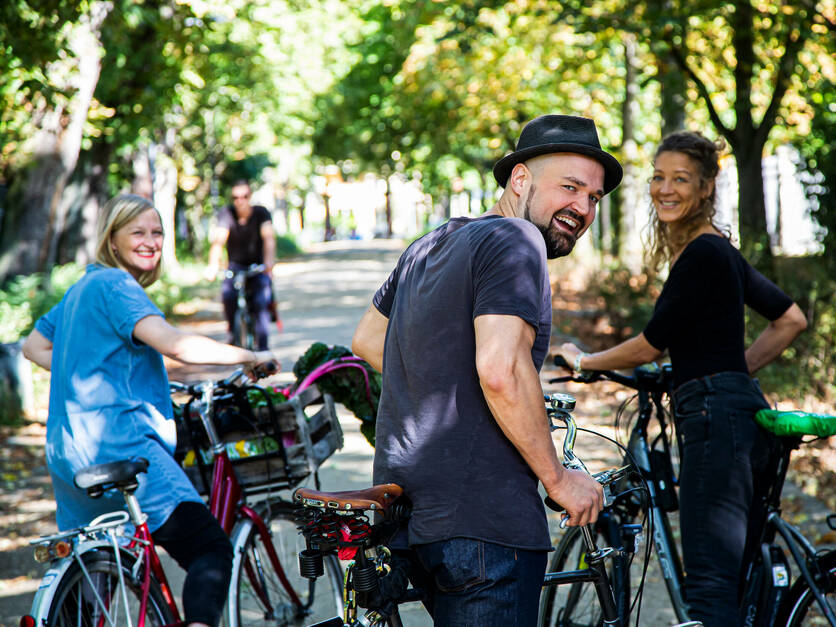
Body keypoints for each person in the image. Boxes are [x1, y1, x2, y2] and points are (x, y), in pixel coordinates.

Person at [351, 114, 619, 625]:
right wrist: (557, 477)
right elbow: (501, 369)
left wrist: (448, 379)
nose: (582, 208)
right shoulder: (518, 240)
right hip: (484, 524)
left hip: (410, 518)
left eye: (594, 198)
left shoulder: (428, 246)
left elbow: (368, 339)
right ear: (520, 179)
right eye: (570, 187)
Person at [556, 131, 807, 627]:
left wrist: (585, 360)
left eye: (681, 179)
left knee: (710, 587)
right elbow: (791, 319)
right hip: (739, 413)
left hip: (715, 421)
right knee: (733, 581)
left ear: (707, 187)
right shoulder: (718, 250)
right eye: (658, 177)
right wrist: (735, 370)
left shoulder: (703, 254)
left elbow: (652, 343)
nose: (664, 189)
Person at [22, 193, 279, 627]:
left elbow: (34, 345)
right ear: (113, 240)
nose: (150, 240)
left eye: (157, 232)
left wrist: (89, 369)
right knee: (209, 548)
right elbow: (174, 344)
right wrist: (248, 357)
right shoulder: (117, 286)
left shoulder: (82, 287)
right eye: (137, 232)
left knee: (98, 573)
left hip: (69, 454)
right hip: (122, 446)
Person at [206, 179, 276, 350]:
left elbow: (268, 239)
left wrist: (269, 264)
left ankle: (263, 347)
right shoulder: (227, 213)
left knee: (261, 302)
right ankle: (233, 334)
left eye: (244, 196)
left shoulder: (261, 213)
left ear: (249, 196)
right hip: (235, 267)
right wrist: (212, 265)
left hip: (257, 267)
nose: (240, 201)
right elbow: (218, 241)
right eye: (236, 197)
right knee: (228, 296)